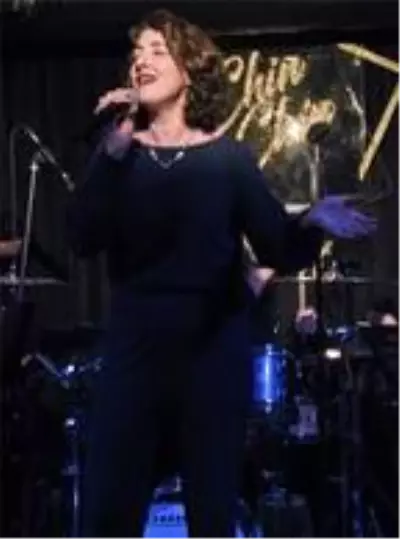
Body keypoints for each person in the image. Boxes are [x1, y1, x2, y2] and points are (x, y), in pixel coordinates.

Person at [67, 9, 376, 539]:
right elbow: (81, 237)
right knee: (107, 514)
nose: (142, 61)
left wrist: (311, 219)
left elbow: (277, 245)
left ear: (190, 69)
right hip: (134, 353)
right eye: (137, 52)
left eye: (158, 50)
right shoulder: (120, 156)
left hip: (210, 356)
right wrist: (111, 152)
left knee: (212, 514)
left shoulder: (228, 160)